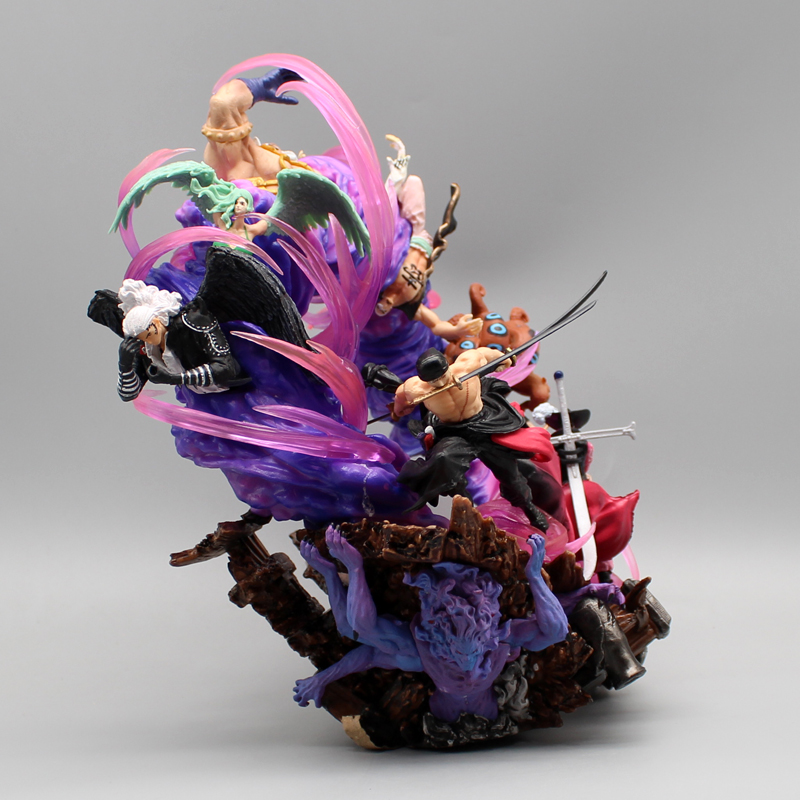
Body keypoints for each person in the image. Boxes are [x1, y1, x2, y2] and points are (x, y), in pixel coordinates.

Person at [393, 347, 567, 531]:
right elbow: (401, 400)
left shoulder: (467, 365)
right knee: (444, 462)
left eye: (442, 377)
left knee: (511, 476)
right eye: (434, 381)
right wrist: (400, 410)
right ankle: (467, 508)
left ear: (446, 367)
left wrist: (504, 360)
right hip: (453, 432)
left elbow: (489, 354)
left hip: (484, 424)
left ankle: (529, 508)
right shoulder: (415, 388)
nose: (441, 383)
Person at [109, 280, 246, 402]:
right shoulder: (147, 347)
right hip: (202, 398)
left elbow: (226, 368)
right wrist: (125, 365)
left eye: (149, 331)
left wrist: (175, 378)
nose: (147, 339)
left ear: (157, 320)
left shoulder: (193, 320)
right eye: (142, 336)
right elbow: (128, 394)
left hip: (241, 388)